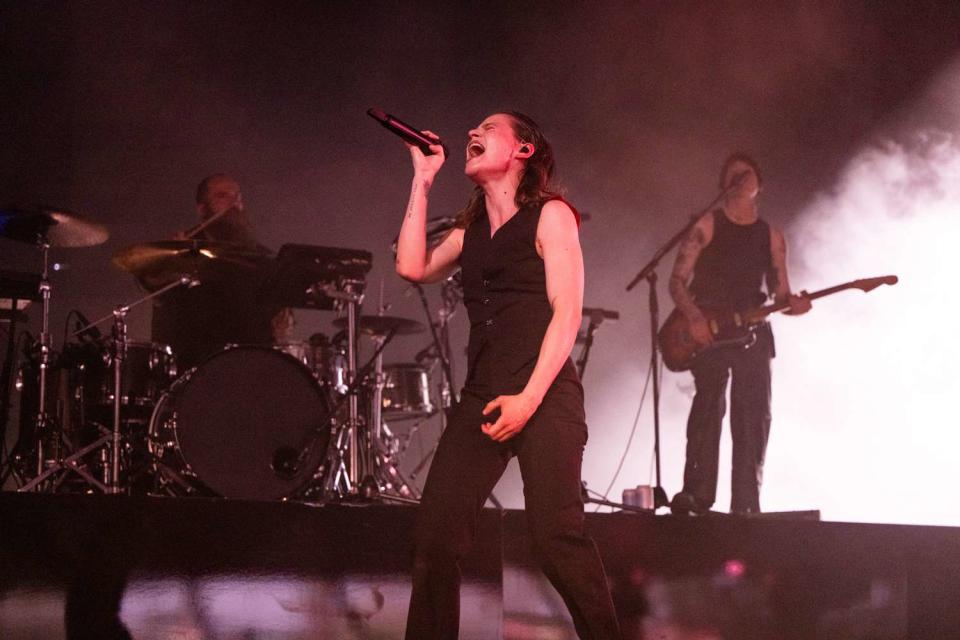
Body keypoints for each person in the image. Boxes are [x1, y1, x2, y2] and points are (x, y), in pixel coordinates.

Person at [395, 112, 620, 640]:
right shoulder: (469, 230)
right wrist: (421, 180)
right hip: (484, 394)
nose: (472, 132)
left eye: (488, 128)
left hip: (544, 391)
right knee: (434, 540)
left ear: (522, 150)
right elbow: (411, 267)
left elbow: (567, 313)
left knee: (556, 539)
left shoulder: (551, 216)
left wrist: (527, 400)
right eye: (472, 126)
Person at [668, 152, 811, 516]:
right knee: (708, 406)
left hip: (752, 330)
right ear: (723, 184)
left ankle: (747, 502)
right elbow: (676, 280)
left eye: (746, 175)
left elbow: (781, 294)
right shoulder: (709, 224)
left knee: (754, 415)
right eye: (733, 175)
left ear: (758, 184)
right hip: (712, 328)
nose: (740, 180)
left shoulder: (771, 236)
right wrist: (695, 318)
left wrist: (794, 305)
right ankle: (697, 494)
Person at [151, 174, 292, 371]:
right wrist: (174, 259)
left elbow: (280, 321)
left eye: (238, 197)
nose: (234, 203)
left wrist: (283, 326)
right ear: (202, 209)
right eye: (223, 196)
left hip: (255, 367)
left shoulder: (263, 260)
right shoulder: (186, 252)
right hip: (197, 368)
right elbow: (158, 294)